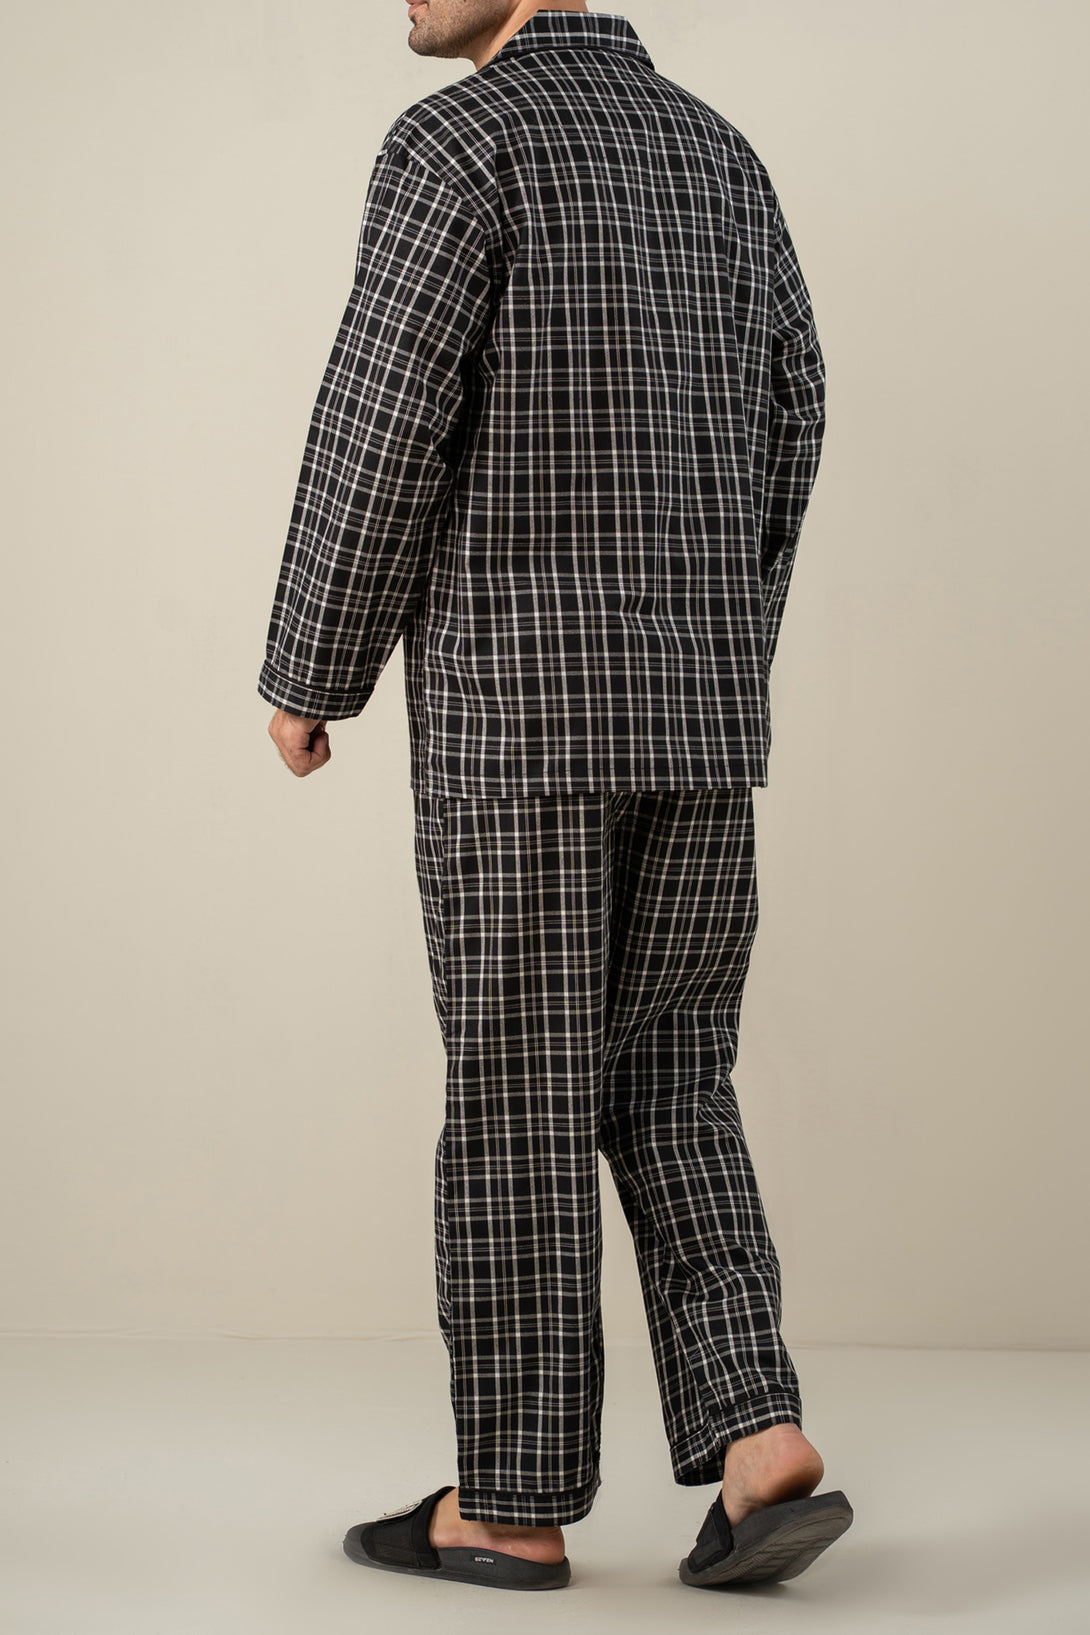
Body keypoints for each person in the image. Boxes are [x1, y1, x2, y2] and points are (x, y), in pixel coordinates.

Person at [259, 0, 852, 1593]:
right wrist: (720, 648)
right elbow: (794, 415)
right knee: (672, 1076)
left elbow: (383, 422)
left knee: (520, 1096)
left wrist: (313, 665)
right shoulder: (719, 157)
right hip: (699, 714)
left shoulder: (460, 143)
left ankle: (509, 1504)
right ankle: (758, 1437)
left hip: (518, 720)